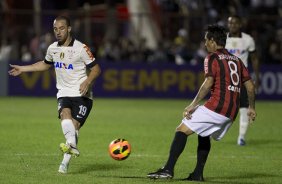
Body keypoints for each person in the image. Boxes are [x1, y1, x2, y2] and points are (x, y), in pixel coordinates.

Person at [147, 24, 256, 181]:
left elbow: (208, 83)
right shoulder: (237, 60)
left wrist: (192, 104)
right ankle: (198, 174)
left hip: (217, 107)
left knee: (182, 129)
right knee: (204, 133)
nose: (205, 44)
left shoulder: (212, 57)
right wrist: (251, 107)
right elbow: (251, 87)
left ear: (212, 41)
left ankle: (168, 169)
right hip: (231, 112)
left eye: (206, 40)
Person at [8, 16, 101, 174]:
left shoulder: (80, 48)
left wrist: (88, 82)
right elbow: (44, 65)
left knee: (74, 126)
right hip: (64, 92)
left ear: (69, 28)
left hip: (82, 95)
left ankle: (65, 161)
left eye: (62, 28)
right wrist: (23, 69)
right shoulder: (52, 48)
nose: (58, 32)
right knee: (65, 116)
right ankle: (70, 151)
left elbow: (96, 69)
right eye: (55, 29)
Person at [225, 15, 260, 146]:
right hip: (226, 79)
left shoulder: (248, 39)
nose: (232, 25)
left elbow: (255, 59)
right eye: (230, 23)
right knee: (223, 107)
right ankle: (215, 132)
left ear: (240, 24)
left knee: (244, 108)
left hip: (242, 78)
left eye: (235, 23)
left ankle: (241, 137)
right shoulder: (223, 39)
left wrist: (257, 76)